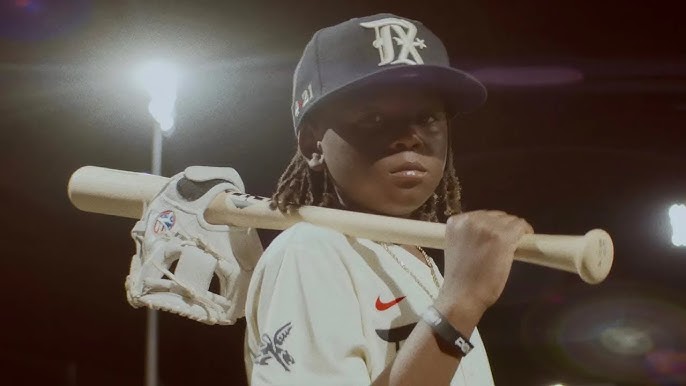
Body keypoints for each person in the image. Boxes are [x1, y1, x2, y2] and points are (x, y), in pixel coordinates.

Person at [244, 13, 533, 385]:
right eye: (375, 118)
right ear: (312, 145)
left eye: (428, 117)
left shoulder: (418, 261)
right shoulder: (311, 250)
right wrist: (461, 304)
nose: (410, 137)